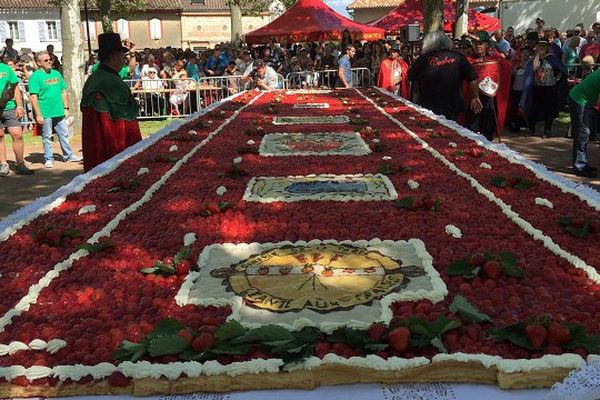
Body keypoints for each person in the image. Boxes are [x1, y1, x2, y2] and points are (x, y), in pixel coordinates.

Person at [80, 33, 142, 172]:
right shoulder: (112, 82)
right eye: (122, 56)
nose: (124, 60)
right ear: (114, 56)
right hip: (112, 150)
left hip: (95, 149)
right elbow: (124, 125)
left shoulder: (94, 78)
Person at [408, 30, 482, 122]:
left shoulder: (423, 59)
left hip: (429, 106)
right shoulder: (459, 57)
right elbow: (472, 78)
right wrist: (475, 97)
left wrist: (416, 100)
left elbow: (413, 79)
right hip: (453, 105)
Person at [29, 51, 81, 168]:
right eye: (46, 60)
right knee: (47, 136)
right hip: (45, 111)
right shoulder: (35, 77)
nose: (49, 62)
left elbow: (63, 91)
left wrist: (66, 108)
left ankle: (68, 155)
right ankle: (49, 158)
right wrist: (38, 114)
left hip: (59, 110)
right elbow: (33, 97)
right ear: (39, 63)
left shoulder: (56, 73)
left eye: (50, 59)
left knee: (64, 134)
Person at [519, 40, 565, 138]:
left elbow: (561, 70)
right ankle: (531, 129)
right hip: (537, 88)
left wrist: (557, 79)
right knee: (533, 109)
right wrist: (538, 56)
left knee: (548, 110)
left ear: (547, 47)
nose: (541, 48)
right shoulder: (534, 59)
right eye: (540, 46)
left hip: (549, 88)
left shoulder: (552, 58)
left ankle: (547, 130)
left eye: (544, 46)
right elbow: (535, 68)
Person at [0, 59, 33, 176]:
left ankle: (20, 164)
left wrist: (19, 106)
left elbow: (15, 87)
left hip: (10, 107)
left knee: (17, 134)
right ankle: (3, 164)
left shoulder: (5, 68)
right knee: (0, 136)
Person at [569, 69, 600, 177]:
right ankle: (580, 166)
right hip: (579, 99)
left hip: (586, 100)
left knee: (585, 132)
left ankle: (583, 163)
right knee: (583, 133)